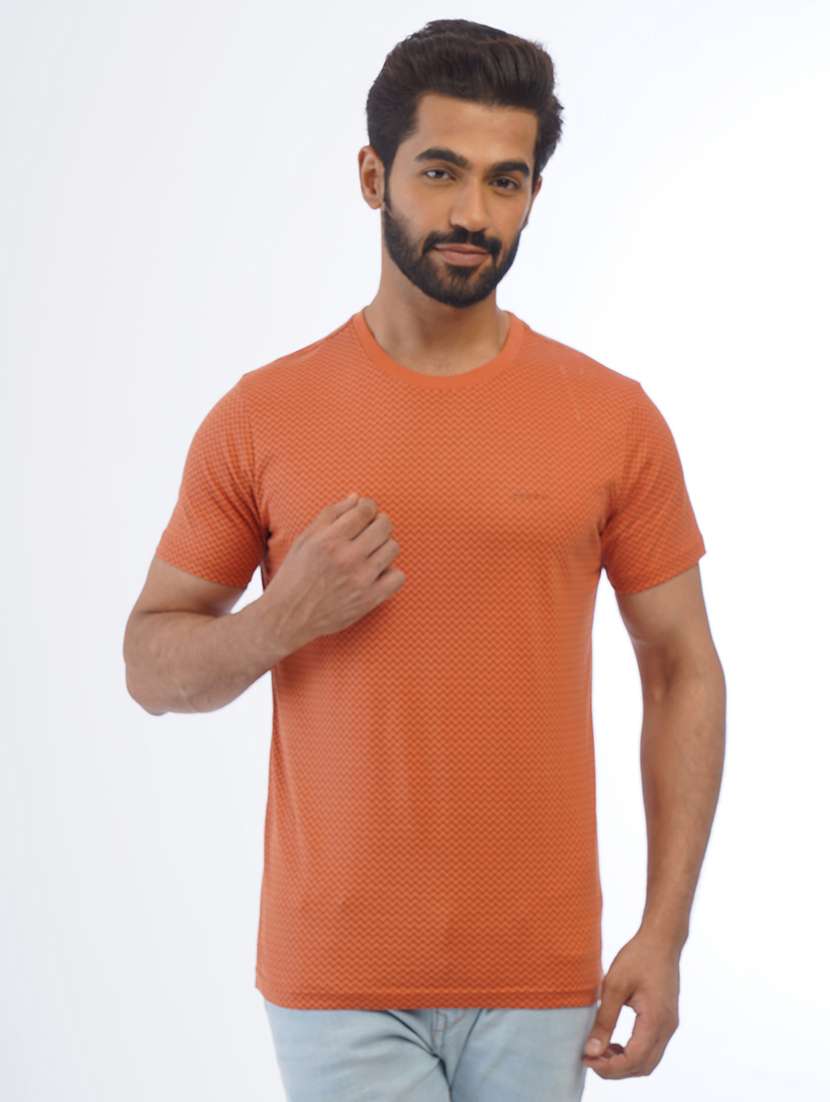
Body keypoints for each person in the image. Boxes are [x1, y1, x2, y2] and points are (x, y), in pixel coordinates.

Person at [123, 17, 726, 1101]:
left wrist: (664, 928)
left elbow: (682, 667)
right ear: (374, 176)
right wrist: (281, 618)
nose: (472, 214)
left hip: (542, 970)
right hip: (336, 973)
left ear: (533, 194)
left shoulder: (612, 419)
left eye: (505, 181)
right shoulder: (262, 416)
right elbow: (149, 666)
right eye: (440, 172)